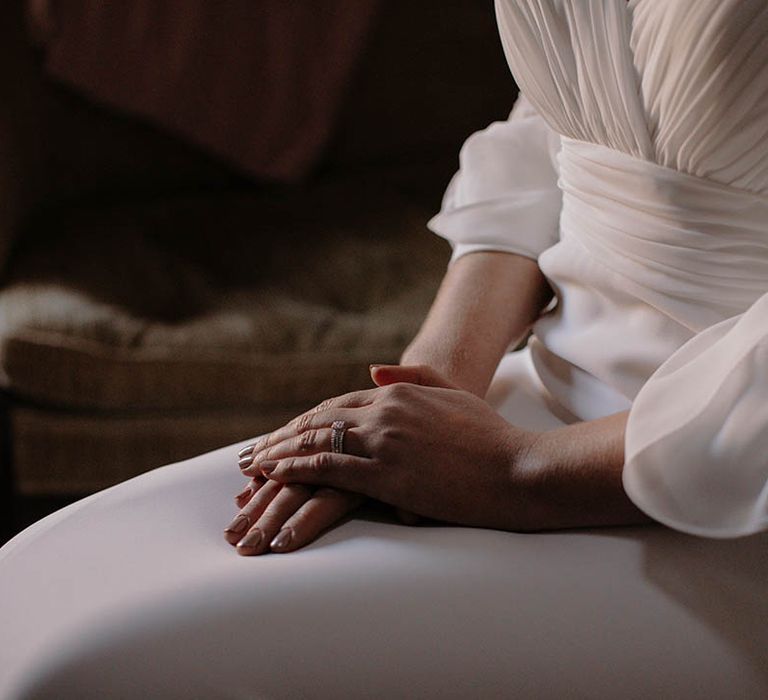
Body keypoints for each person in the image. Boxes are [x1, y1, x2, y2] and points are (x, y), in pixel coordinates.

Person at [2, 1, 767, 698]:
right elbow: (557, 137)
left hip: (713, 475)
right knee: (26, 603)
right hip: (526, 401)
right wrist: (435, 388)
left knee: (80, 673)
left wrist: (519, 472)